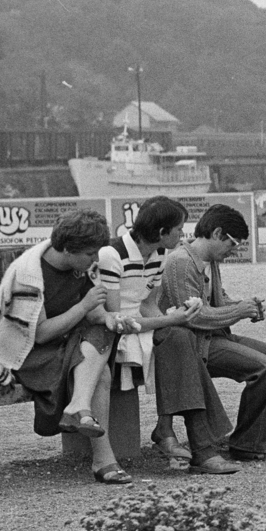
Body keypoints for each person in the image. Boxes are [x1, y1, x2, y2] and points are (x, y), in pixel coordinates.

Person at [0, 209, 131, 484]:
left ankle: (80, 411)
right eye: (90, 254)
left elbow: (93, 316)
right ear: (68, 249)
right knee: (101, 373)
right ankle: (102, 458)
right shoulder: (28, 274)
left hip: (65, 342)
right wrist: (84, 306)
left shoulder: (81, 265)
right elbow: (41, 334)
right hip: (26, 352)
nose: (96, 260)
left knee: (102, 338)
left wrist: (110, 317)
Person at [98, 197, 232, 475]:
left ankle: (171, 430)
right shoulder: (111, 255)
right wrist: (168, 319)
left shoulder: (158, 254)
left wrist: (174, 314)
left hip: (140, 328)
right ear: (161, 232)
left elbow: (148, 304)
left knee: (182, 336)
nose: (183, 235)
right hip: (111, 334)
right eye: (179, 230)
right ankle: (197, 443)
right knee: (181, 337)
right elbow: (116, 319)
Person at [158, 204, 266, 463]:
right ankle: (246, 444)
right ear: (217, 233)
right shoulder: (180, 262)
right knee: (265, 368)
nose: (234, 251)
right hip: (198, 344)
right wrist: (239, 312)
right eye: (233, 244)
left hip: (216, 336)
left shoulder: (209, 260)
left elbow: (218, 301)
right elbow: (193, 317)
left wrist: (247, 307)